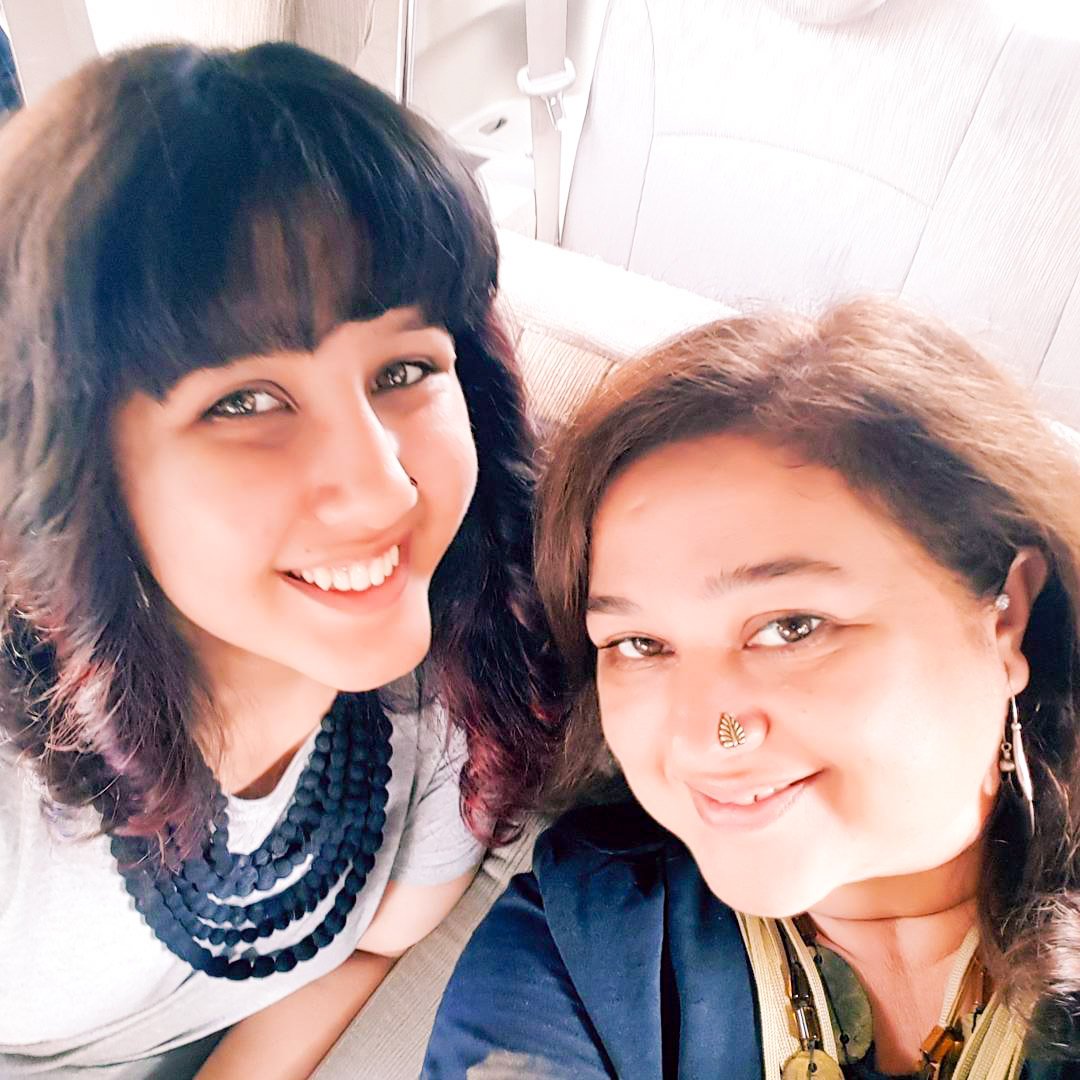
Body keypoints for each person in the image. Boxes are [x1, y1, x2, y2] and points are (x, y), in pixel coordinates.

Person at [0, 42, 558, 1079]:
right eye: (245, 401)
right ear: (76, 470)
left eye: (404, 368)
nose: (383, 489)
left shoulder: (465, 684)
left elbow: (372, 949)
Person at [424, 300, 1080, 1079]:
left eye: (792, 627)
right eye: (639, 644)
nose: (708, 734)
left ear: (1006, 617)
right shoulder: (570, 957)